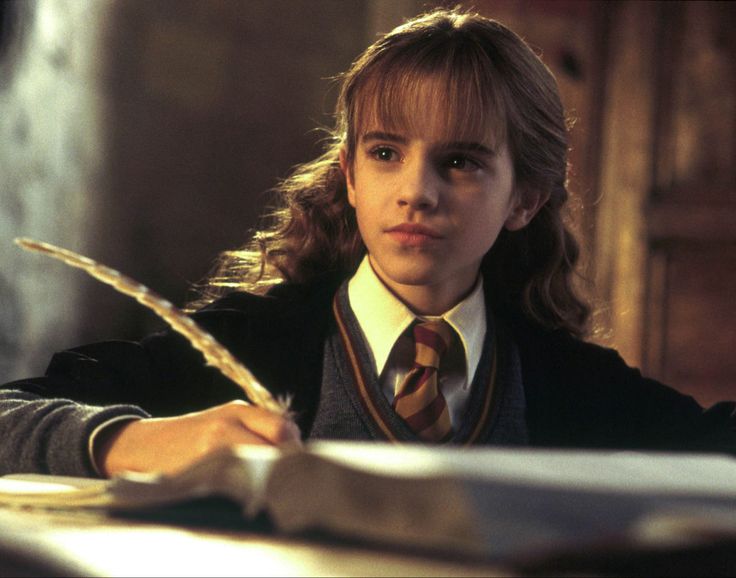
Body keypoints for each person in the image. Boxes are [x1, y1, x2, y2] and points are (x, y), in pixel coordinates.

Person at [1, 8, 734, 479]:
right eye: (386, 153)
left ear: (525, 199)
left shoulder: (569, 384)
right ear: (349, 175)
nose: (417, 191)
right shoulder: (249, 344)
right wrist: (129, 444)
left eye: (460, 162)